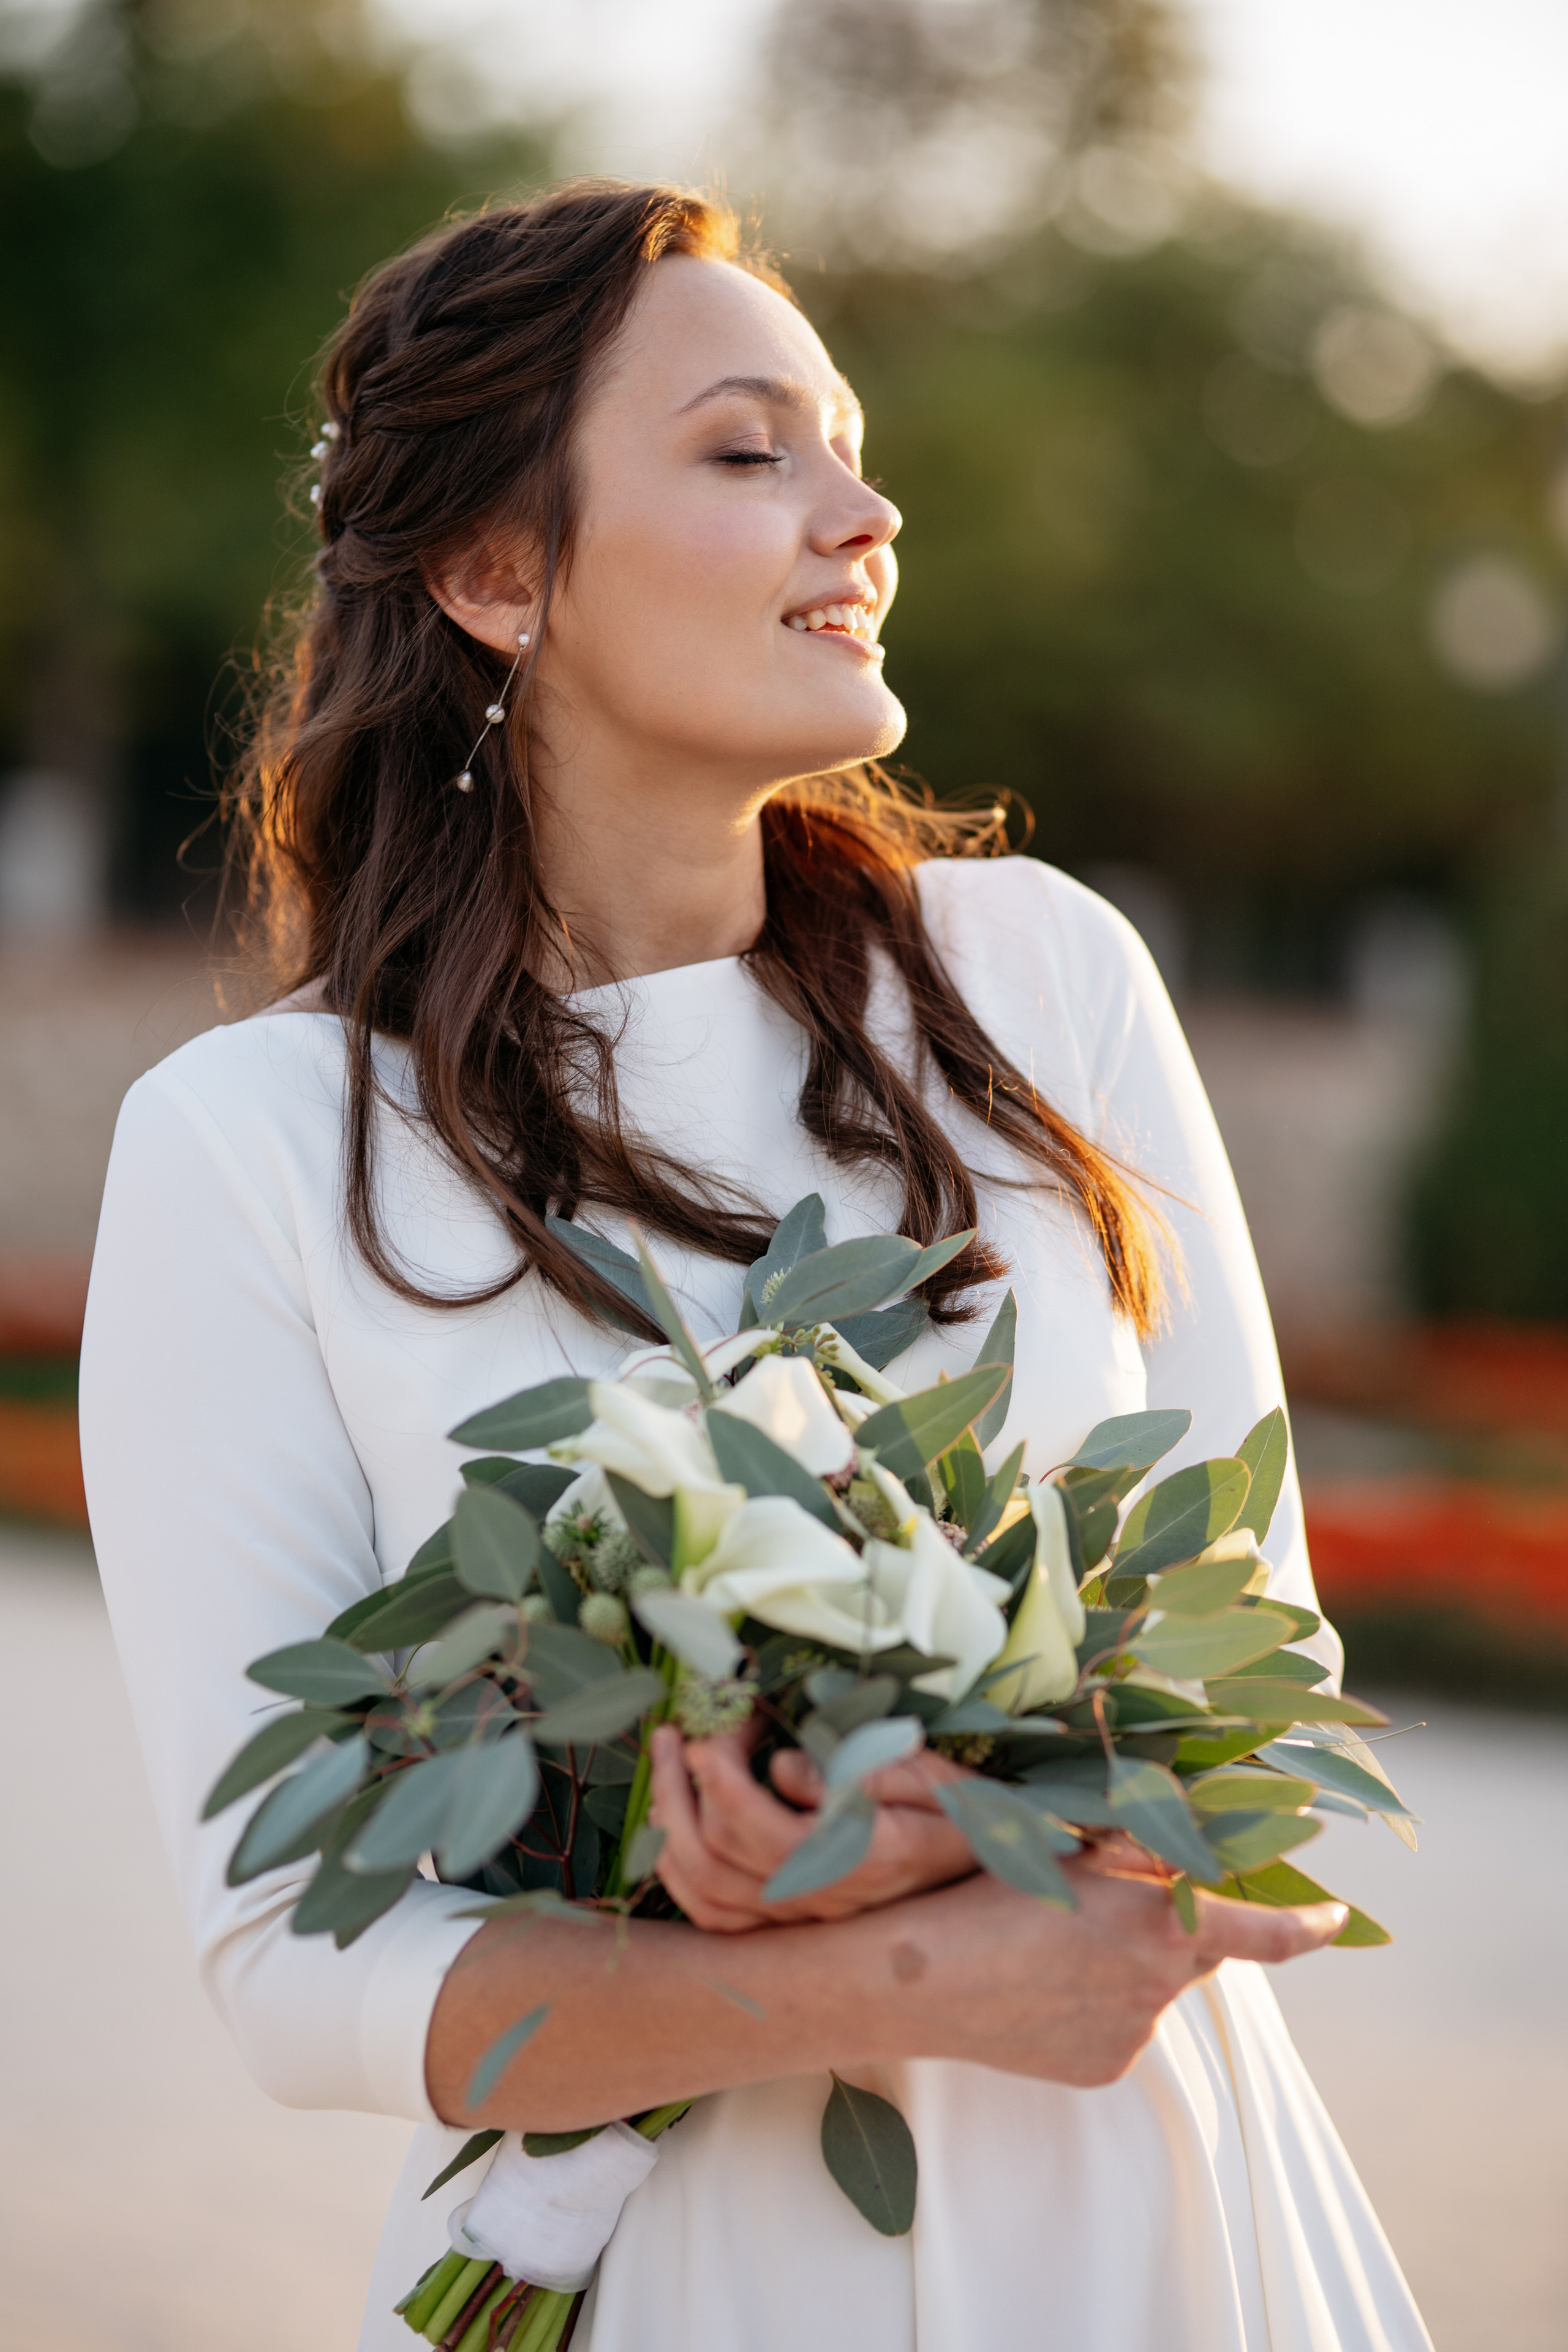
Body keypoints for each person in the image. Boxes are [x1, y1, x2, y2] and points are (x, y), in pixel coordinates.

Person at [79, 181, 1431, 2351]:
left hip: (1156, 2224)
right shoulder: (248, 1155)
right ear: (495, 572)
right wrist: (845, 1957)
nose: (866, 510)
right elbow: (301, 1968)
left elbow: (1257, 1660)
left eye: (850, 442)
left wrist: (927, 1818)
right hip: (697, 2273)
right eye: (749, 451)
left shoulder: (1040, 984)